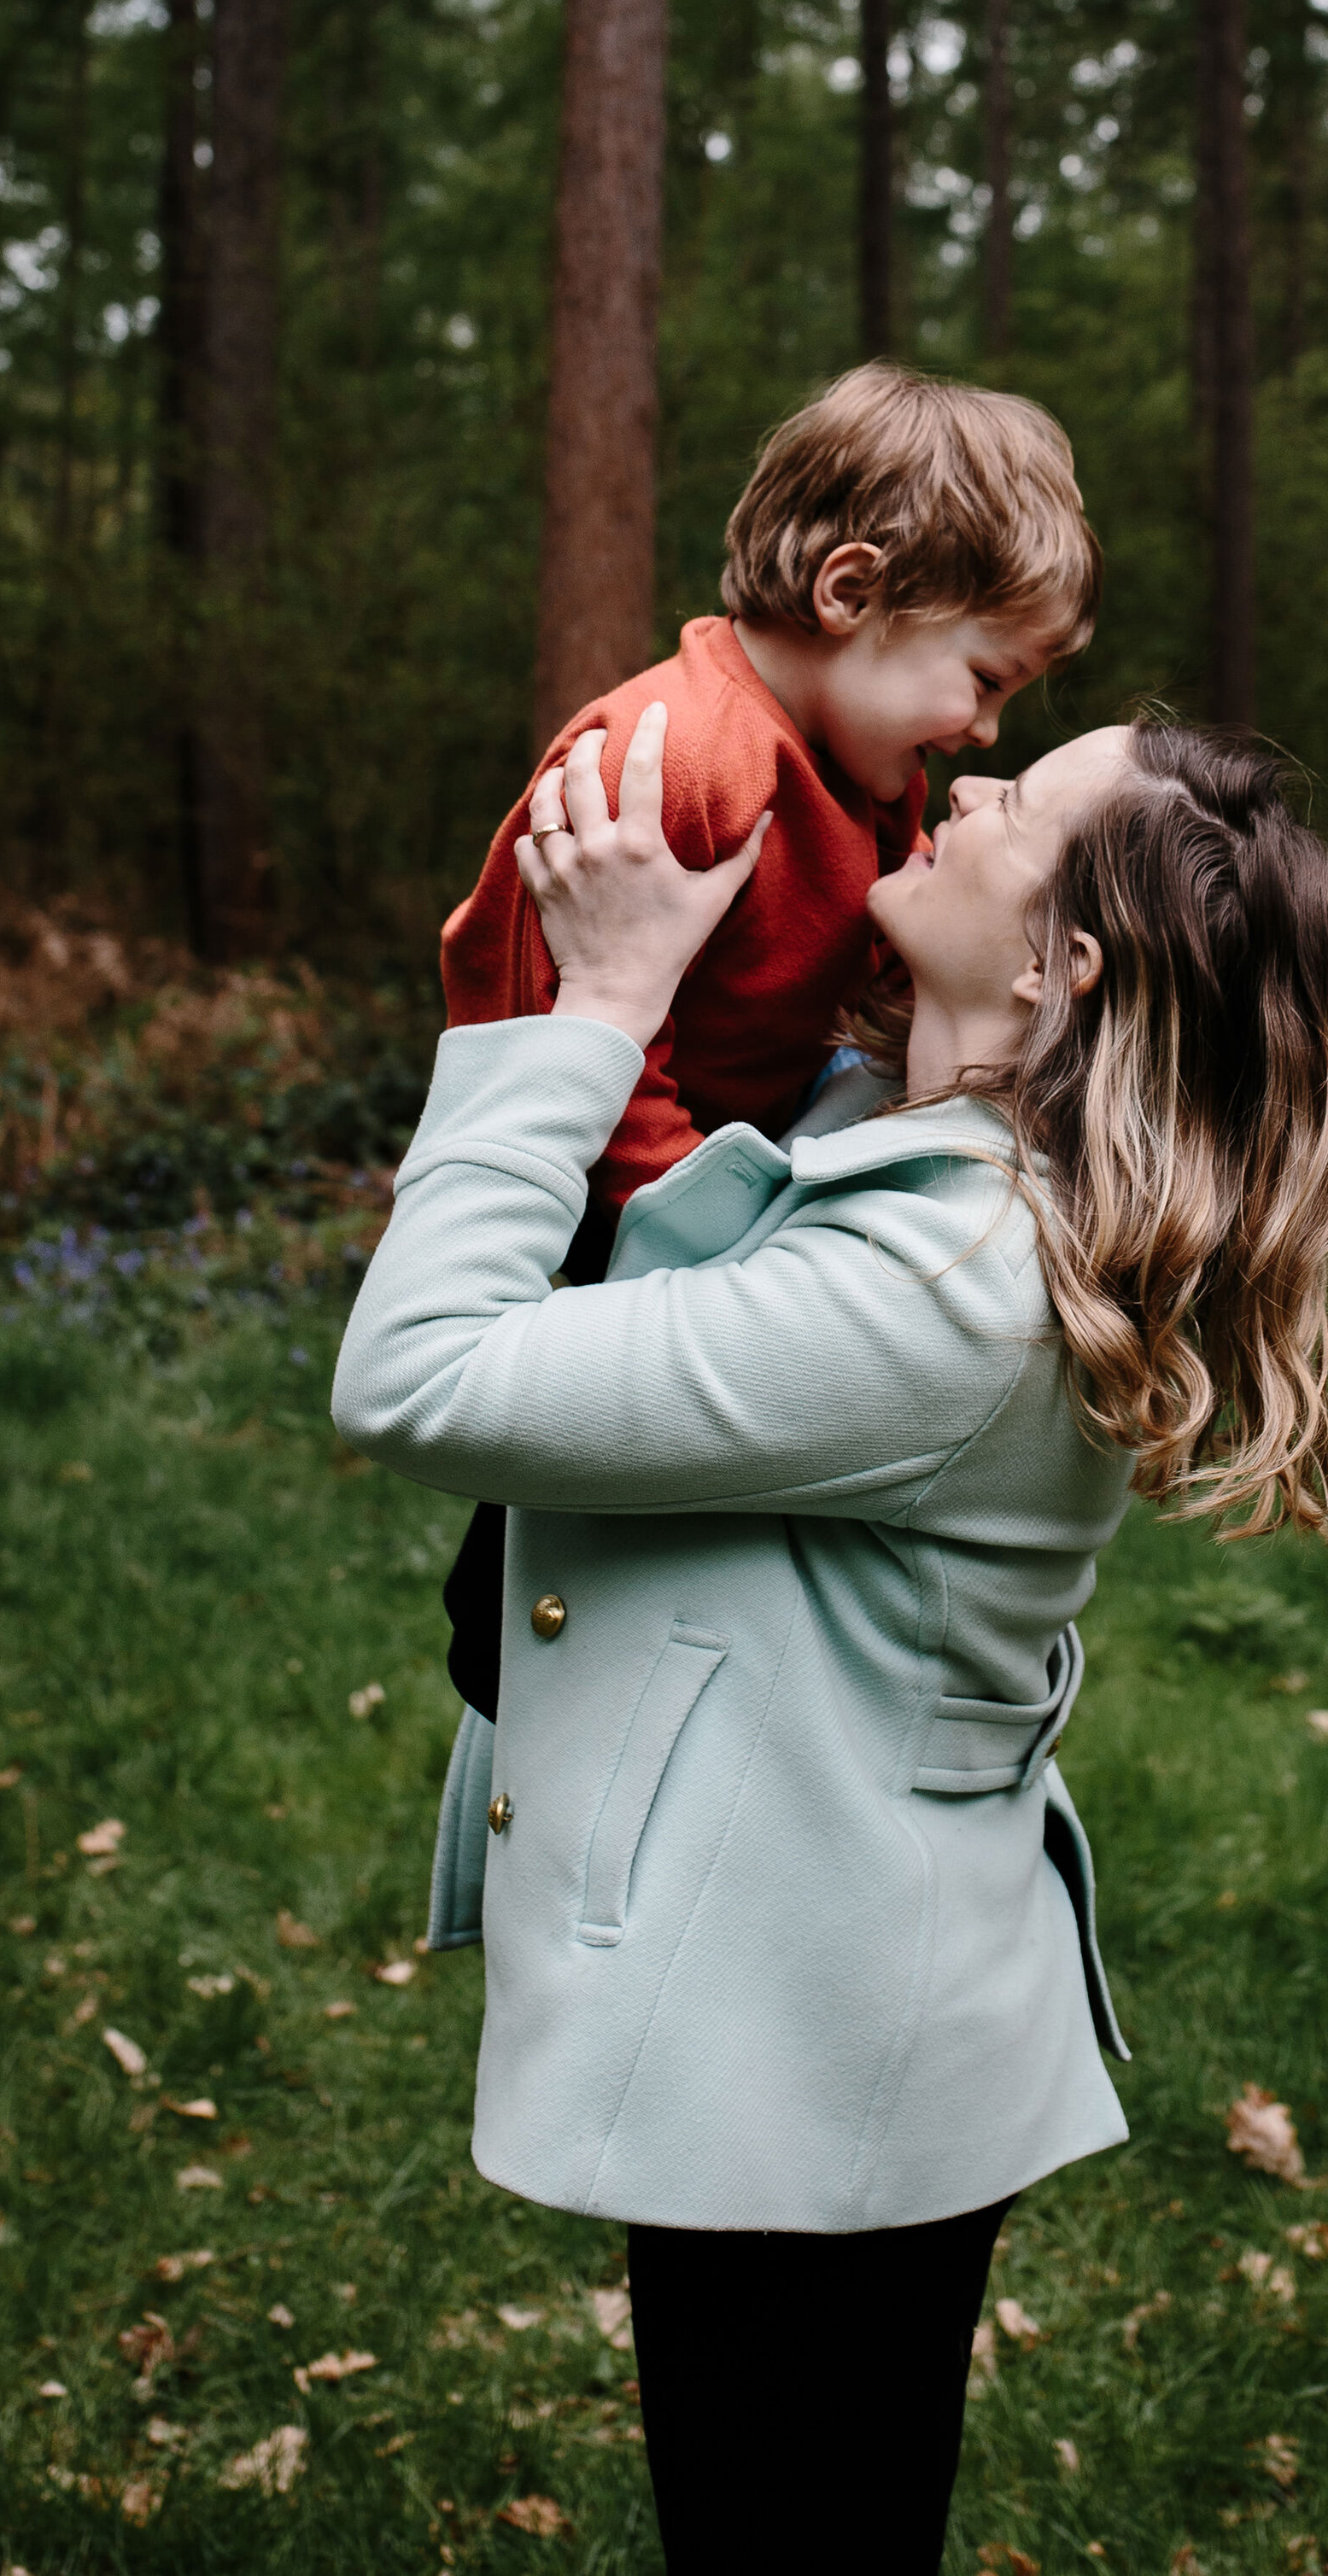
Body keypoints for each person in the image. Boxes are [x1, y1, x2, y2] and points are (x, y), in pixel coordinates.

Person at [331, 700, 1328, 2574]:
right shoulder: (903, 1152)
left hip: (811, 2056)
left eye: (1019, 802)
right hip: (821, 2002)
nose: (969, 786)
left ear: (1063, 964)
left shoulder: (947, 1288)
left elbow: (418, 1378)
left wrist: (580, 1015)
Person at [433, 362, 1101, 1720]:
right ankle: (519, 1650)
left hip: (737, 1150)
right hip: (603, 1178)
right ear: (851, 594)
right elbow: (546, 1014)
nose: (983, 729)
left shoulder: (869, 768)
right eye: (982, 677)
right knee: (555, 1488)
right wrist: (696, 1221)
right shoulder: (675, 760)